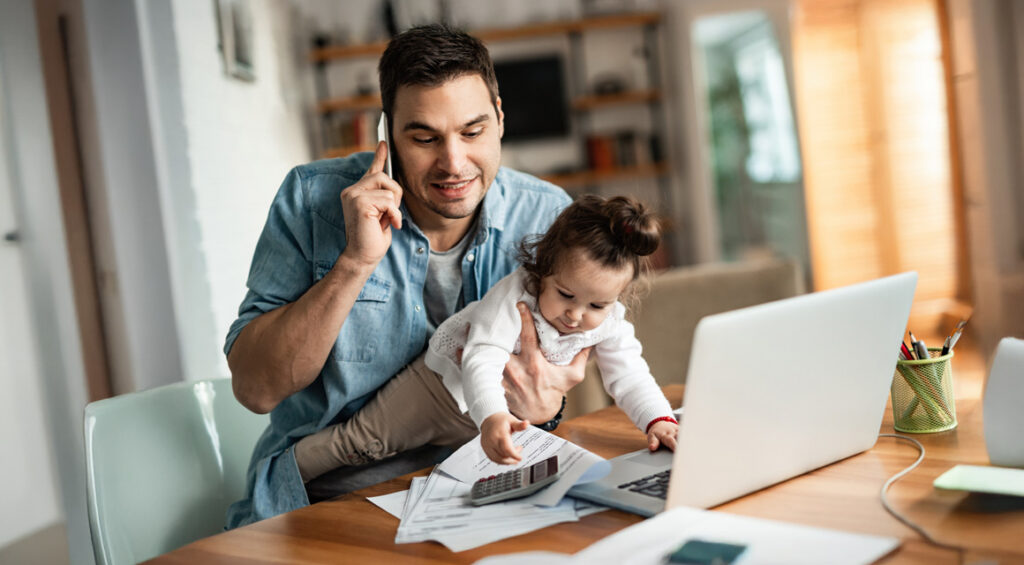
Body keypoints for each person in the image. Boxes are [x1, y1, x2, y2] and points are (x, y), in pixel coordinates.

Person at [224, 24, 589, 528]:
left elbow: (560, 375)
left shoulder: (548, 216)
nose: (453, 163)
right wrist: (354, 262)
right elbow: (255, 389)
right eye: (424, 138)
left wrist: (549, 403)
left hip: (488, 485)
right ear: (386, 134)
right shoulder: (311, 202)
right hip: (333, 498)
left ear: (500, 119)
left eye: (473, 131)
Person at [293, 195, 678, 481]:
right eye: (565, 295)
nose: (576, 316)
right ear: (543, 269)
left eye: (597, 304)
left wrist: (657, 421)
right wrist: (493, 417)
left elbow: (629, 375)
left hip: (489, 418)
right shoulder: (516, 295)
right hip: (439, 389)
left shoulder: (610, 322)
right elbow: (482, 358)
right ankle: (288, 471)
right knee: (361, 444)